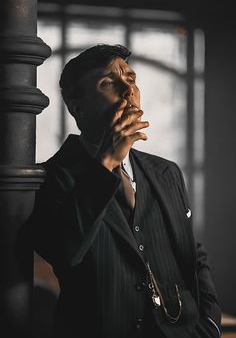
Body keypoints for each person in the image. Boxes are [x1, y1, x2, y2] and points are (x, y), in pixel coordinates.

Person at [31, 43, 221, 338]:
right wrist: (106, 161)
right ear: (77, 106)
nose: (127, 89)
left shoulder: (166, 172)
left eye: (130, 79)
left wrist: (210, 323)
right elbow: (65, 252)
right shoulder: (50, 176)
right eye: (108, 82)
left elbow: (193, 257)